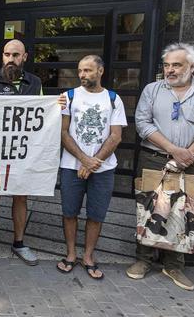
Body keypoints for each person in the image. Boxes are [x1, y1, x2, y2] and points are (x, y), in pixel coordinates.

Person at [127, 42, 194, 290]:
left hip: (192, 162)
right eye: (167, 65)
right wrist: (174, 150)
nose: (170, 70)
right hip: (154, 158)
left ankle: (174, 265)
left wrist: (188, 153)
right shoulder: (152, 90)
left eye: (176, 65)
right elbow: (143, 123)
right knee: (148, 208)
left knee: (184, 211)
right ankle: (143, 259)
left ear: (192, 66)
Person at [0, 39, 42, 268]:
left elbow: (42, 115)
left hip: (23, 151)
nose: (10, 59)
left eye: (15, 55)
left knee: (20, 196)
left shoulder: (35, 82)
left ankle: (19, 243)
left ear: (25, 57)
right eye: (6, 54)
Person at [57, 55, 125, 280]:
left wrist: (94, 162)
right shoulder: (69, 97)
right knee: (69, 212)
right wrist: (84, 159)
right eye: (80, 71)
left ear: (100, 71)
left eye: (87, 70)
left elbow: (116, 136)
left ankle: (88, 256)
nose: (83, 75)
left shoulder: (113, 99)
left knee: (96, 214)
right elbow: (63, 132)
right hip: (71, 166)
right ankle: (70, 254)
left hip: (103, 169)